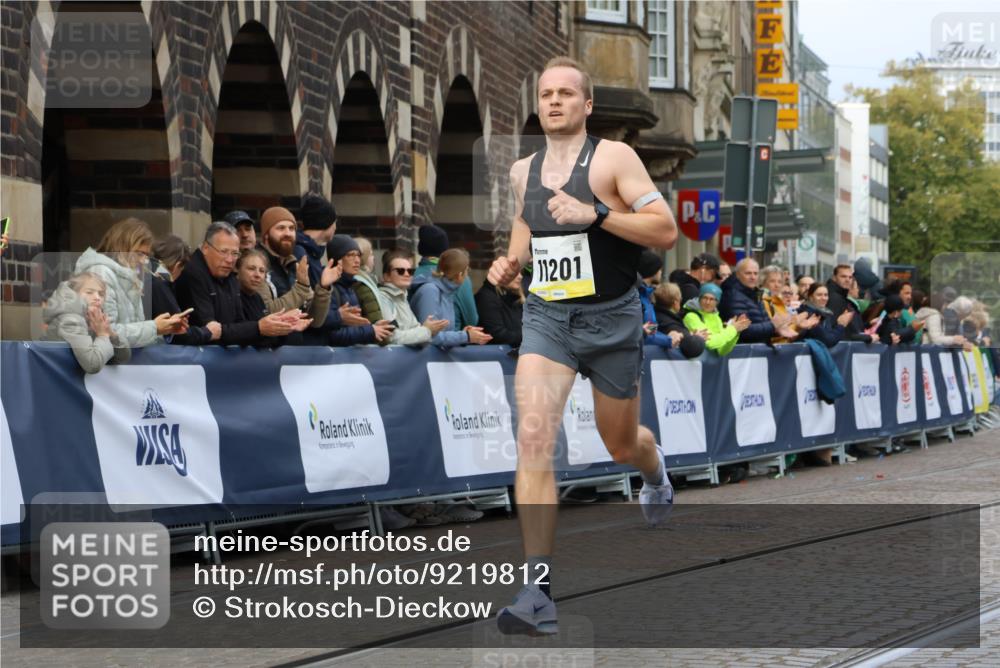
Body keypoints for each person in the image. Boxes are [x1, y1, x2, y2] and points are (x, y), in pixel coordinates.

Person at [486, 57, 677, 636]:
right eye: (546, 93)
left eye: (566, 93)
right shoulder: (522, 170)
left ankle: (654, 469)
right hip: (547, 316)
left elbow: (665, 229)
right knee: (533, 439)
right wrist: (509, 262)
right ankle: (537, 592)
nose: (554, 101)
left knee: (621, 444)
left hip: (612, 319)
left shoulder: (614, 158)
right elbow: (526, 225)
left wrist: (595, 214)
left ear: (587, 105)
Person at [175, 221, 307, 345]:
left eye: (235, 253)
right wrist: (258, 328)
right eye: (223, 252)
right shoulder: (193, 274)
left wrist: (280, 327)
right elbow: (211, 331)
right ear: (205, 248)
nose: (229, 260)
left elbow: (240, 327)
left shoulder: (230, 277)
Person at [74, 218, 188, 347]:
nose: (144, 261)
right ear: (122, 247)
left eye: (146, 255)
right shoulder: (101, 273)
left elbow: (133, 332)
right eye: (140, 254)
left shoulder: (129, 276)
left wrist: (165, 329)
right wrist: (154, 328)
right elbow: (106, 333)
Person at [308, 235, 394, 346]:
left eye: (358, 255)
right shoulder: (328, 288)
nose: (357, 260)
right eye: (350, 255)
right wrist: (370, 331)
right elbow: (332, 335)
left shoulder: (350, 286)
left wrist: (374, 327)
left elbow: (353, 328)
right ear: (337, 259)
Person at [256, 206, 335, 326]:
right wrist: (301, 288)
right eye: (281, 228)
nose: (288, 233)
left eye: (292, 228)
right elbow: (267, 311)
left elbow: (314, 321)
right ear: (266, 234)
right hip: (270, 338)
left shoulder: (293, 264)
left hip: (297, 338)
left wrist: (323, 289)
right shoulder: (256, 264)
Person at [43, 272, 131, 373]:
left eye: (101, 294)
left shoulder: (93, 318)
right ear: (74, 295)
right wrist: (103, 335)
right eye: (89, 292)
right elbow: (92, 364)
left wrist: (111, 334)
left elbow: (122, 358)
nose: (97, 297)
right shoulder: (70, 320)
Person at [412, 248, 492, 348]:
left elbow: (443, 334)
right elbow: (429, 336)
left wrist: (463, 334)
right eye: (467, 270)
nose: (467, 275)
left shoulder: (447, 292)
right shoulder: (430, 291)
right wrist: (465, 336)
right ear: (460, 275)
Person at [151, 235, 221, 345]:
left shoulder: (145, 277)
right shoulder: (160, 284)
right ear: (177, 266)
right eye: (182, 270)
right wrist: (207, 332)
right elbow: (176, 332)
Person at [236, 248, 315, 347]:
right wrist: (261, 329)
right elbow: (237, 336)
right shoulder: (232, 297)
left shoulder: (257, 298)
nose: (257, 275)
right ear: (237, 269)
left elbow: (269, 342)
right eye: (251, 269)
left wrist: (284, 326)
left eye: (262, 271)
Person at [378, 249, 450, 346]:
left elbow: (416, 332)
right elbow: (392, 337)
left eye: (410, 271)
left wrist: (429, 330)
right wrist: (427, 330)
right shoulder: (383, 298)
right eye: (400, 271)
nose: (407, 274)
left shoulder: (403, 297)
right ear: (387, 276)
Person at [414, 224, 479, 329]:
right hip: (450, 336)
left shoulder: (408, 276)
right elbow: (471, 320)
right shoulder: (458, 276)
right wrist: (463, 335)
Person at [719, 258, 796, 343]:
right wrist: (773, 326)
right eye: (748, 273)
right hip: (743, 349)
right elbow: (741, 329)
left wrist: (777, 330)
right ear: (738, 274)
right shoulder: (732, 295)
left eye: (755, 273)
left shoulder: (756, 294)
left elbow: (763, 324)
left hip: (760, 347)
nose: (753, 277)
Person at [682, 283, 747, 356]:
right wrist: (732, 329)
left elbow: (721, 351)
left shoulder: (716, 318)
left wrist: (736, 332)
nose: (707, 302)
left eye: (712, 299)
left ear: (717, 302)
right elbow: (710, 343)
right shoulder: (691, 316)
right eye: (705, 298)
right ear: (699, 298)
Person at [475, 257, 525, 347]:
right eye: (515, 273)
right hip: (495, 353)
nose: (520, 277)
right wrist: (530, 337)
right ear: (499, 274)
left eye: (520, 273)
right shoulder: (486, 297)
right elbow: (498, 335)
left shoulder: (516, 298)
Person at [637, 250, 680, 348]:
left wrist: (668, 336)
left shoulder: (647, 296)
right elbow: (645, 334)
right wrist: (669, 340)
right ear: (654, 271)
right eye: (660, 269)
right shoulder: (638, 297)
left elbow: (651, 329)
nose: (661, 273)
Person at [825, 264, 877, 343]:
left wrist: (868, 324)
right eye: (843, 276)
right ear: (834, 278)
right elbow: (840, 331)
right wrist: (867, 338)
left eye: (850, 277)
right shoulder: (834, 298)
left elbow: (850, 328)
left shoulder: (842, 297)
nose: (847, 280)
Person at [295, 195, 338, 287]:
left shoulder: (313, 251)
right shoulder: (300, 252)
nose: (335, 228)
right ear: (327, 222)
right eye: (335, 222)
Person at [799, 282, 853, 348]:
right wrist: (841, 325)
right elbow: (828, 340)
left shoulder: (826, 314)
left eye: (826, 295)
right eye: (819, 295)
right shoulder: (808, 314)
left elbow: (831, 335)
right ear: (811, 297)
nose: (823, 298)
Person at [352, 236, 392, 323]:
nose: (373, 258)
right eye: (371, 254)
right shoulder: (362, 284)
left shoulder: (365, 279)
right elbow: (375, 317)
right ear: (364, 258)